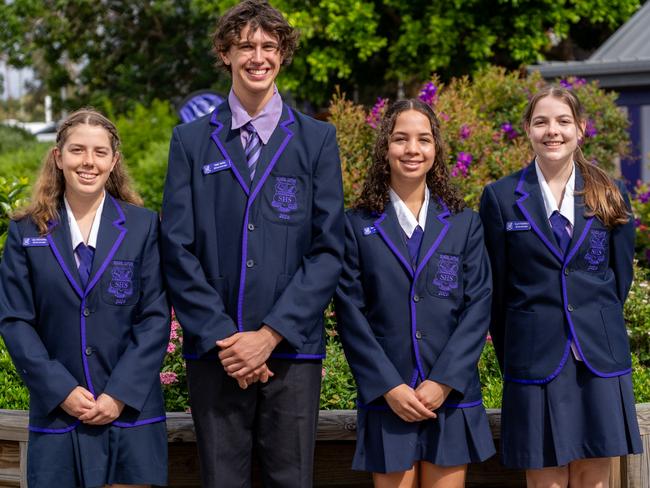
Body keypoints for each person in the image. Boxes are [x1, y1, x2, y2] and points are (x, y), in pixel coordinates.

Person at [160, 1, 344, 486]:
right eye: (245, 45)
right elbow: (177, 249)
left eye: (268, 45)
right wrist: (227, 339)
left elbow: (328, 250)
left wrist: (268, 336)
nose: (257, 56)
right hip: (215, 355)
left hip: (292, 353)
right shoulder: (191, 142)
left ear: (282, 53)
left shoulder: (318, 140)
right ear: (225, 52)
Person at [479, 85, 642, 487]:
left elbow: (619, 279)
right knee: (546, 477)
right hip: (535, 357)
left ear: (581, 129)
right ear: (528, 130)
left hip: (598, 358)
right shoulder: (500, 198)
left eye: (563, 121)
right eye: (541, 122)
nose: (553, 131)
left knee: (593, 476)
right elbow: (495, 291)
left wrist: (589, 320)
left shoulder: (611, 194)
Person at [0, 108, 170, 488]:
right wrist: (61, 390)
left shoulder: (142, 227)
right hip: (58, 415)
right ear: (58, 157)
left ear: (114, 161)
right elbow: (15, 321)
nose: (88, 162)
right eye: (77, 150)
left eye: (99, 152)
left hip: (130, 415)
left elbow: (155, 317)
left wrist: (118, 394)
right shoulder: (26, 231)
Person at [334, 99, 496, 488]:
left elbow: (478, 306)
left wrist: (443, 381)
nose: (412, 149)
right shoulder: (356, 225)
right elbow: (350, 313)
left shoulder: (464, 224)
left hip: (451, 395)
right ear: (384, 148)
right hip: (390, 395)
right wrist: (388, 386)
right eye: (400, 139)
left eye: (423, 139)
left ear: (436, 149)